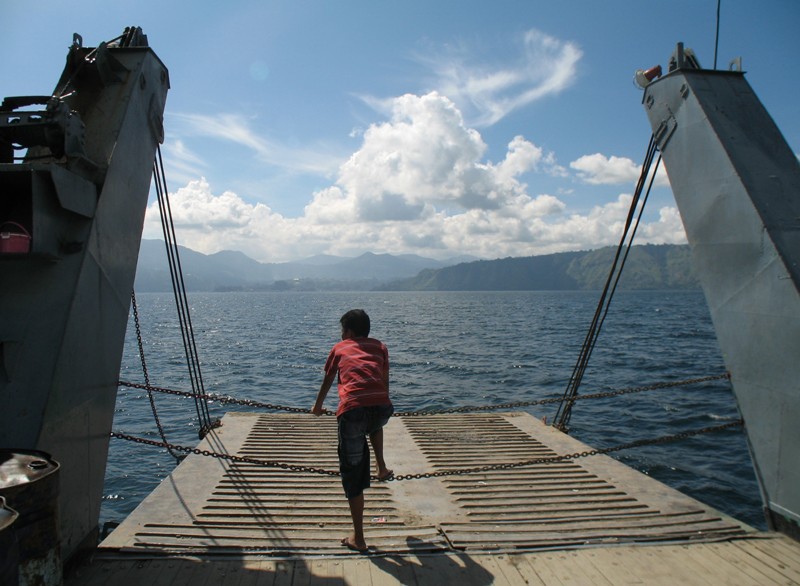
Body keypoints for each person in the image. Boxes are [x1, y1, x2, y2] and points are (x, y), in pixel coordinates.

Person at [312, 309, 393, 553]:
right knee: (375, 424)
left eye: (342, 330)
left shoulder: (340, 347)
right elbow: (384, 378)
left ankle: (358, 538)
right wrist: (382, 400)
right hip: (382, 406)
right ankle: (381, 467)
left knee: (353, 473)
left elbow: (328, 379)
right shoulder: (380, 346)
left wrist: (317, 406)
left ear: (348, 332)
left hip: (352, 410)